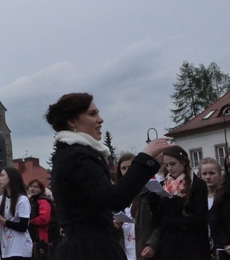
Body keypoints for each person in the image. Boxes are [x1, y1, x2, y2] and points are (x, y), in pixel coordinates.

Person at [45, 92, 170, 260]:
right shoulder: (78, 156)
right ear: (72, 121)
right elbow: (114, 198)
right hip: (90, 250)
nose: (100, 119)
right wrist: (144, 158)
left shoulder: (70, 154)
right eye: (92, 114)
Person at [152, 145, 210, 260]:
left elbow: (199, 217)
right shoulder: (164, 185)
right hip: (170, 244)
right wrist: (153, 200)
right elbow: (158, 218)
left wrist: (172, 221)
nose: (169, 168)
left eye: (173, 164)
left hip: (193, 244)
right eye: (166, 165)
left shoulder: (197, 184)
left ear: (183, 162)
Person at [0, 167, 32, 259]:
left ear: (11, 178)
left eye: (2, 175)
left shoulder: (22, 200)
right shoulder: (1, 199)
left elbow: (23, 226)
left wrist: (3, 221)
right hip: (6, 249)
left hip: (20, 249)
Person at [28, 179, 52, 250]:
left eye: (35, 187)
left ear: (41, 189)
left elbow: (44, 219)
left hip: (40, 235)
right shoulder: (31, 201)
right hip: (32, 234)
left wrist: (30, 221)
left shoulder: (43, 201)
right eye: (30, 186)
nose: (32, 188)